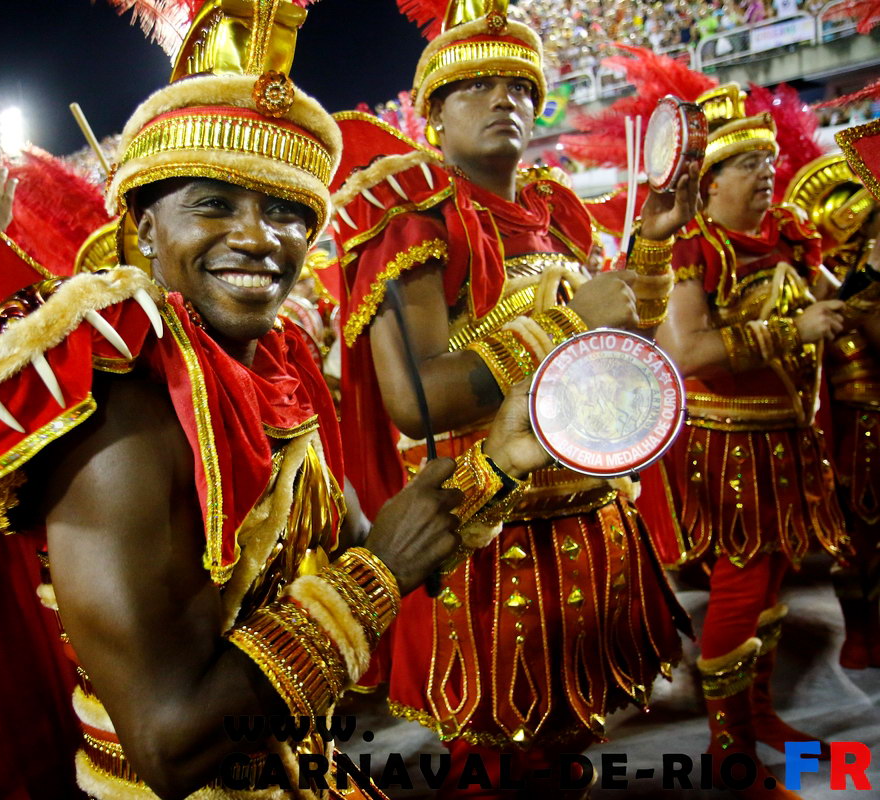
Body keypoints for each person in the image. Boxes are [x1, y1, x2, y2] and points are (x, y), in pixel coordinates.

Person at [0, 2, 559, 798]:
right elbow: (171, 742)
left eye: (291, 212)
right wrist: (383, 575)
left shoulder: (276, 364)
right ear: (144, 225)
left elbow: (350, 547)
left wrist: (497, 467)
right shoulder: (122, 411)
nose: (261, 238)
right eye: (215, 205)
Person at [329, 0, 697, 794]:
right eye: (475, 87)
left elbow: (623, 343)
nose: (504, 101)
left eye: (519, 86)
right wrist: (566, 318)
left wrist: (656, 240)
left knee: (569, 747)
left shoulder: (554, 210)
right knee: (495, 763)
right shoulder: (412, 215)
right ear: (432, 113)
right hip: (488, 543)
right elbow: (416, 404)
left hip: (591, 514)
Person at [655, 83, 851, 800]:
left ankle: (760, 716)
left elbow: (838, 300)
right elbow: (689, 352)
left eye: (768, 161)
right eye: (746, 164)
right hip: (731, 451)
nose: (765, 173)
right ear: (708, 184)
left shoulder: (784, 239)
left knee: (771, 589)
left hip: (790, 440)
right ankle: (729, 750)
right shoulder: (695, 250)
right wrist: (786, 331)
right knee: (739, 592)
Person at [784, 151, 880, 670]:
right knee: (856, 530)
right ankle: (861, 631)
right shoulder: (839, 271)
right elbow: (829, 324)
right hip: (853, 421)